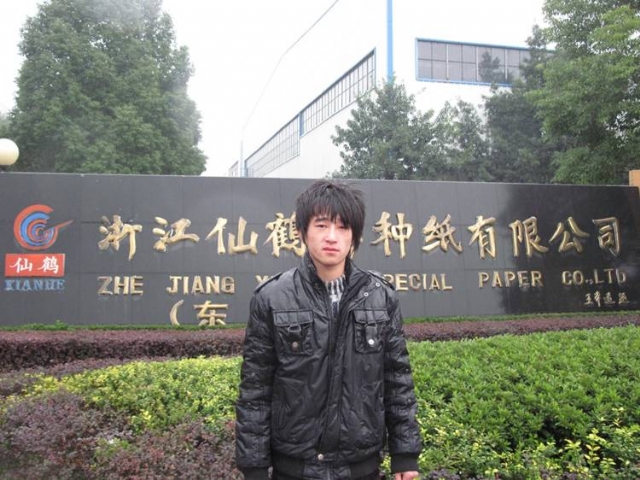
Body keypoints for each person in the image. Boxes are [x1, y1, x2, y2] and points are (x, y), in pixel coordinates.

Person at [235, 180, 422, 480]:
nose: (332, 237)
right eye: (321, 225)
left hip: (361, 467)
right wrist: (254, 467)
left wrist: (405, 455)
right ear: (302, 232)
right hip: (294, 469)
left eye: (343, 227)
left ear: (355, 236)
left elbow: (397, 380)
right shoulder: (271, 297)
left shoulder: (380, 296)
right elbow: (256, 390)